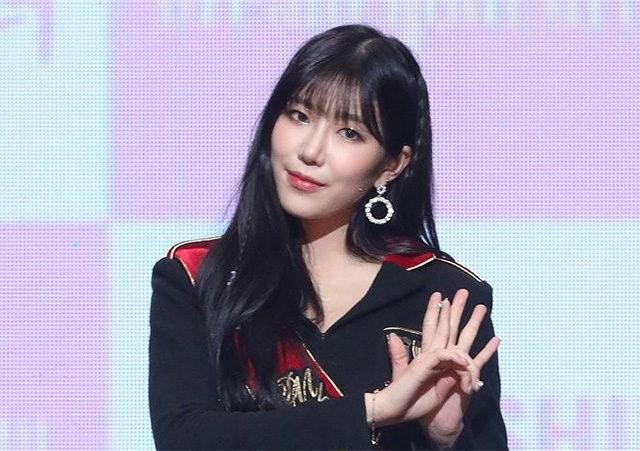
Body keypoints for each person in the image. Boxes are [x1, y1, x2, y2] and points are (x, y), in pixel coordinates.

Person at [149, 24, 508, 450]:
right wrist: (374, 410)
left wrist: (445, 439)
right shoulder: (198, 277)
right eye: (299, 116)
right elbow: (184, 437)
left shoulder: (445, 297)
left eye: (349, 133)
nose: (310, 151)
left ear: (391, 165)